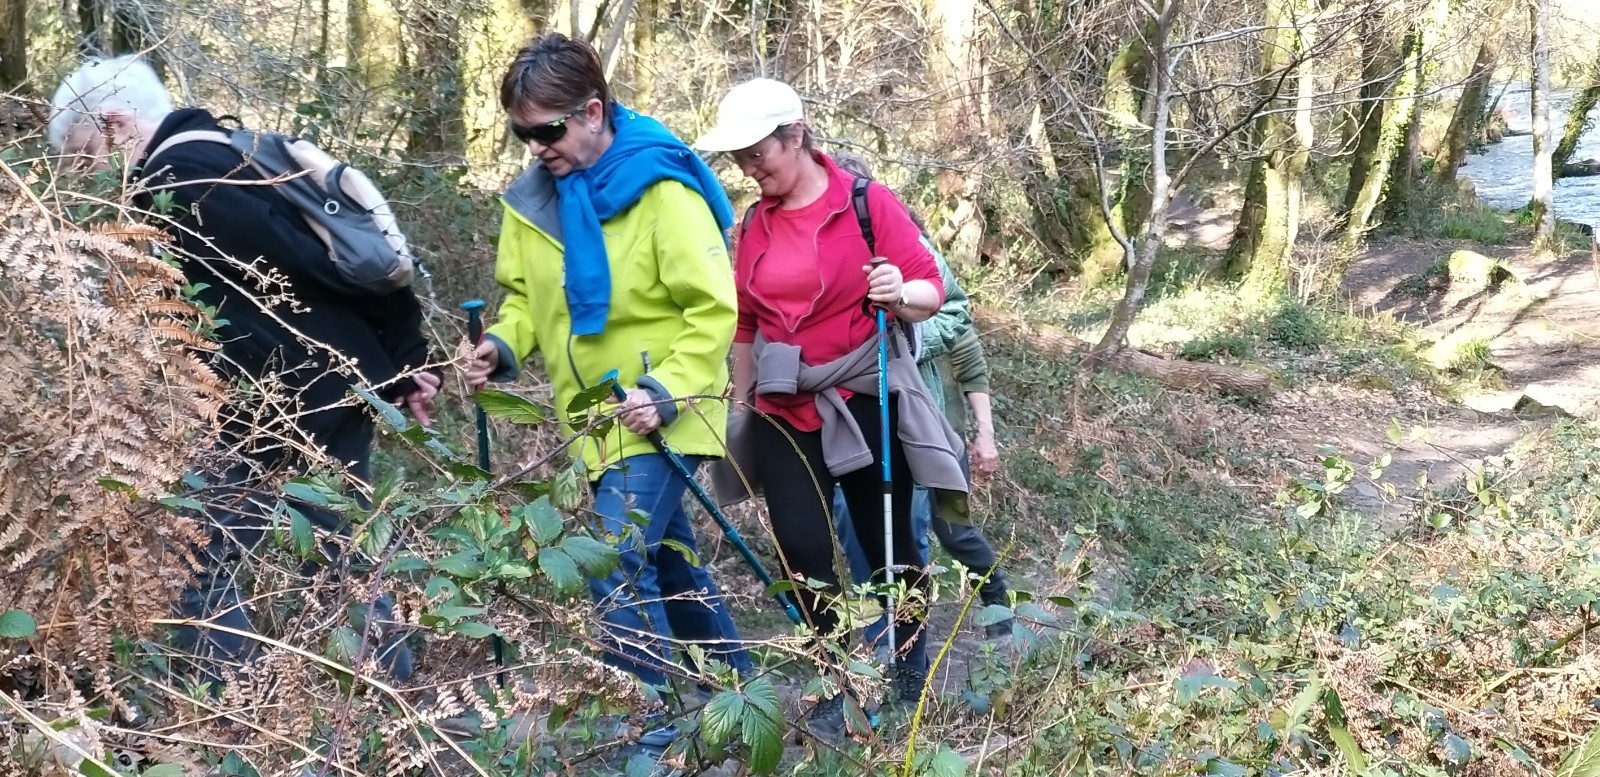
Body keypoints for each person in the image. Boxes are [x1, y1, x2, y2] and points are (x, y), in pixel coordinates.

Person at [46, 55, 439, 685]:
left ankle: (231, 719)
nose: (92, 177)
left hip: (273, 403)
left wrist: (215, 412)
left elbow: (269, 295)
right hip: (331, 388)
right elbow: (338, 270)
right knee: (340, 559)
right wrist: (404, 360)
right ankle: (387, 706)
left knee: (193, 560)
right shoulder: (234, 151)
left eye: (86, 154)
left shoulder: (180, 179)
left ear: (116, 123)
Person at [460, 33, 751, 772]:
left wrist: (664, 389)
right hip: (588, 419)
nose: (536, 147)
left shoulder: (662, 189)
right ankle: (744, 698)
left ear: (593, 111)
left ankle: (649, 725)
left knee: (612, 560)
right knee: (672, 561)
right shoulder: (534, 203)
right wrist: (499, 344)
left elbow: (713, 309)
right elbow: (527, 302)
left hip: (660, 410)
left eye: (548, 129)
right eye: (523, 133)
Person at [695, 78, 970, 738]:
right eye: (739, 159)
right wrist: (740, 400)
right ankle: (829, 677)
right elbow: (745, 323)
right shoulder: (754, 225)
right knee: (802, 551)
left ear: (796, 136)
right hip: (784, 408)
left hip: (864, 396)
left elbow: (930, 290)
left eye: (758, 153)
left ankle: (907, 674)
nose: (749, 169)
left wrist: (897, 287)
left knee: (889, 547)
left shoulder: (867, 202)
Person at [827, 152, 1016, 651]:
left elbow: (964, 336)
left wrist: (907, 341)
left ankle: (992, 595)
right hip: (861, 423)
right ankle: (885, 642)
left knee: (949, 532)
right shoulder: (819, 251)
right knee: (864, 529)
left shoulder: (914, 251)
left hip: (929, 423)